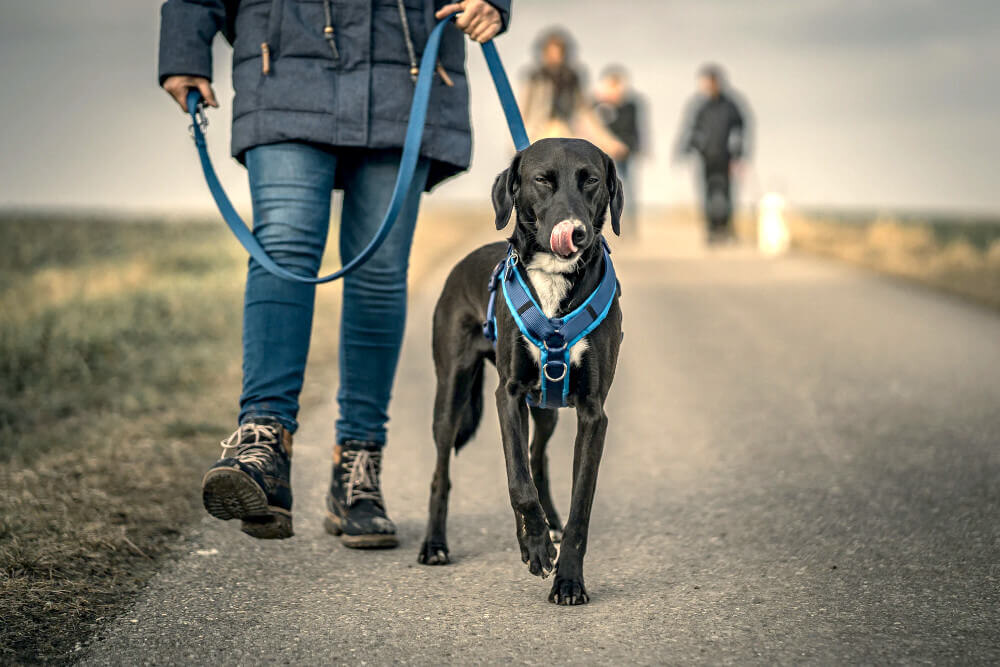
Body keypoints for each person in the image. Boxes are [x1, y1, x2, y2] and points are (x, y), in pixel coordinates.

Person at [158, 0, 511, 548]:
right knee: (283, 246)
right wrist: (184, 44)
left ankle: (358, 469)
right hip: (284, 61)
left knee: (380, 270)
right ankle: (264, 446)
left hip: (405, 66)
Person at [520, 28, 625, 159]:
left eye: (558, 52)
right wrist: (518, 144)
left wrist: (608, 143)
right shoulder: (535, 79)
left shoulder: (571, 78)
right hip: (539, 134)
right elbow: (523, 111)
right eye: (551, 52)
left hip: (567, 132)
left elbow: (586, 113)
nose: (555, 57)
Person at [676, 64, 751, 244]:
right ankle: (711, 230)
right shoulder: (699, 105)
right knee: (707, 195)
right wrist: (686, 148)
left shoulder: (731, 105)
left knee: (726, 195)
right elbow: (691, 129)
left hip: (726, 158)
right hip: (705, 157)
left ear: (715, 82)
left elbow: (740, 129)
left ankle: (726, 229)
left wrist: (739, 154)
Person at [593, 65, 644, 225]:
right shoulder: (596, 105)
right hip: (601, 154)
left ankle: (627, 223)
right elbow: (591, 128)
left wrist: (634, 148)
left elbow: (635, 129)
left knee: (626, 188)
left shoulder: (630, 106)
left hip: (623, 154)